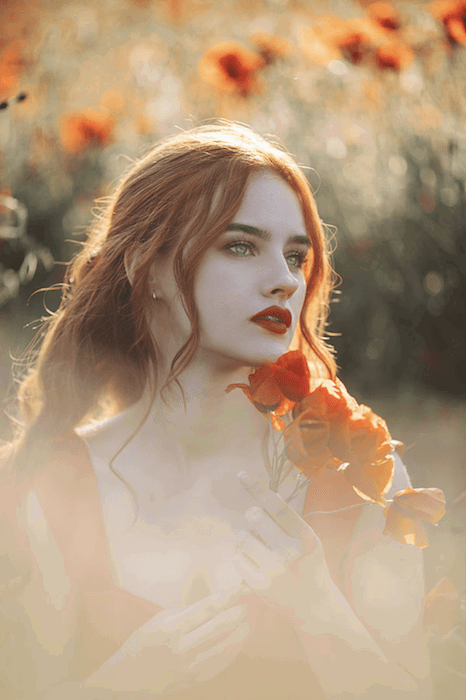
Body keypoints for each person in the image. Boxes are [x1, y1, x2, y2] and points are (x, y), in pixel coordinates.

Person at [0, 121, 432, 699]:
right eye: (240, 246)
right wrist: (119, 684)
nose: (283, 280)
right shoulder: (47, 486)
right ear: (144, 267)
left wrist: (319, 609)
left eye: (296, 256)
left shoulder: (359, 482)